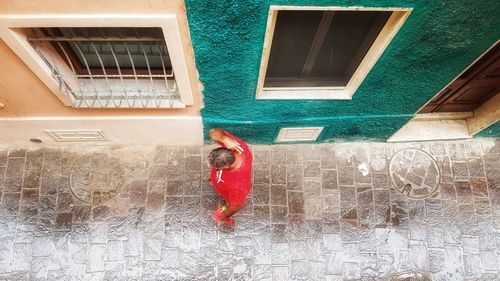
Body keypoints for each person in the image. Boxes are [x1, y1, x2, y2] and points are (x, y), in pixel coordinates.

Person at [208, 128, 252, 225]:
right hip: (221, 182)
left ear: (228, 166)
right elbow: (212, 131)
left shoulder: (238, 185)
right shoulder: (237, 147)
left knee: (231, 201)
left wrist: (224, 215)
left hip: (228, 192)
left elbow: (237, 205)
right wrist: (224, 138)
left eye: (217, 168)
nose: (213, 168)